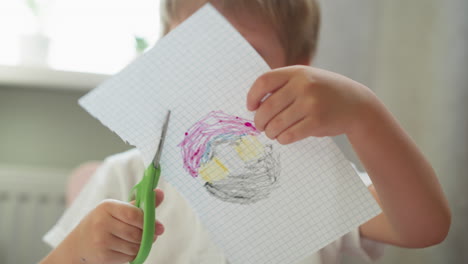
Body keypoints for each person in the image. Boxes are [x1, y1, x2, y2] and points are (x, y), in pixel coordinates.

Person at [39, 0, 451, 263]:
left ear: (298, 66)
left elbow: (424, 227)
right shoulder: (123, 178)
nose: (211, 73)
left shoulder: (321, 184)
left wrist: (365, 114)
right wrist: (80, 250)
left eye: (242, 54)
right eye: (193, 49)